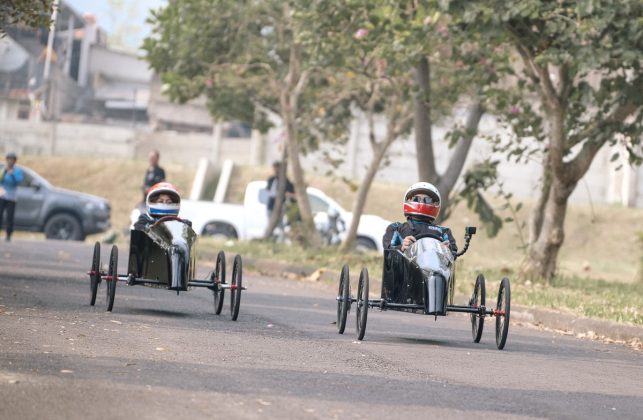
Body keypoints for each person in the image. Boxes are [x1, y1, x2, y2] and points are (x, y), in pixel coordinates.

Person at [382, 182, 457, 255]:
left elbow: (454, 253)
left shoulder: (444, 232)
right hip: (404, 263)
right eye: (416, 199)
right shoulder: (396, 228)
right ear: (408, 200)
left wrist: (447, 249)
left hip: (433, 263)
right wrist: (402, 247)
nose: (421, 202)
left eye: (428, 200)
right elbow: (388, 250)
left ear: (435, 203)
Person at [0, 152, 25, 242]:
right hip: (2, 195)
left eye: (12, 159)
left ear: (15, 161)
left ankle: (8, 234)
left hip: (11, 197)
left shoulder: (17, 171)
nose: (10, 161)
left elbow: (19, 181)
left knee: (10, 216)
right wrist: (5, 172)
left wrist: (12, 174)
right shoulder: (3, 169)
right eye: (9, 159)